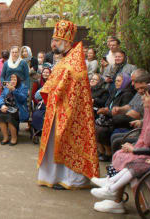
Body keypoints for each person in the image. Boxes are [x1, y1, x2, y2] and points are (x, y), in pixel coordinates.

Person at [37, 20, 99, 190]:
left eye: (56, 40)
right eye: (52, 40)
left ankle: (72, 180)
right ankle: (56, 176)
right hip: (57, 108)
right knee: (55, 143)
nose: (53, 44)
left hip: (70, 110)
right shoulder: (65, 59)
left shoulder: (74, 61)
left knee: (67, 141)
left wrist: (53, 91)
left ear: (65, 41)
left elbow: (70, 86)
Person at [90, 83, 150, 214]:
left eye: (146, 96)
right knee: (121, 150)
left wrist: (135, 149)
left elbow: (149, 140)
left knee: (127, 156)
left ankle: (113, 192)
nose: (142, 98)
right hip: (147, 150)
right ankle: (112, 188)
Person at [95, 73, 135, 161]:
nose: (116, 83)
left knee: (102, 130)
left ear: (125, 82)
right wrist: (105, 109)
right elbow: (108, 103)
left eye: (119, 81)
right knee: (95, 125)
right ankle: (101, 150)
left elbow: (122, 112)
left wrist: (107, 112)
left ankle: (108, 153)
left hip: (120, 120)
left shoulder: (127, 94)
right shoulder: (116, 91)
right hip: (110, 116)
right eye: (116, 80)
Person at [0, 73, 28, 145]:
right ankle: (5, 137)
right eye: (11, 79)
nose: (12, 81)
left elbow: (22, 99)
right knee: (1, 115)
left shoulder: (23, 87)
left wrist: (14, 90)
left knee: (10, 116)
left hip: (19, 109)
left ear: (18, 80)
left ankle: (14, 138)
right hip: (7, 107)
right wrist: (2, 105)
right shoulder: (7, 87)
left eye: (15, 79)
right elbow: (1, 97)